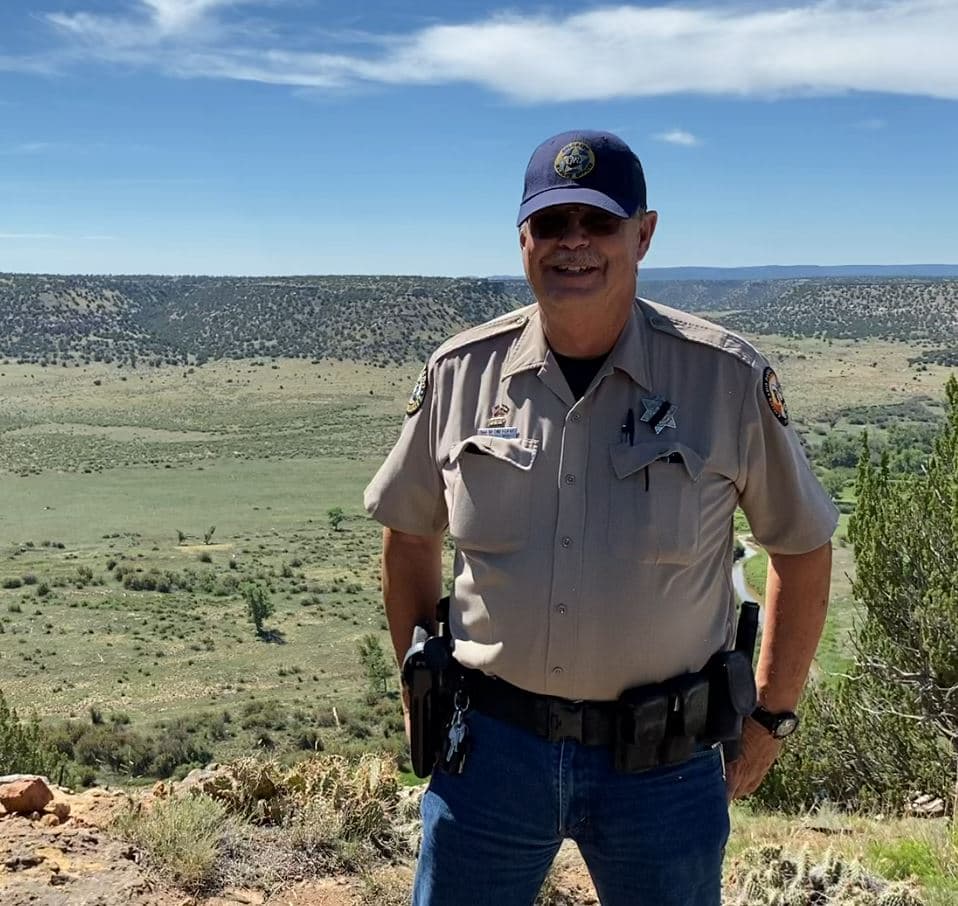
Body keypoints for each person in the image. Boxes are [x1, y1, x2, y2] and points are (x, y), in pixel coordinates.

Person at [364, 129, 837, 906]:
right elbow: (410, 534)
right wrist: (423, 685)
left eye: (599, 222)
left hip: (662, 764)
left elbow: (802, 548)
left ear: (643, 232)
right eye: (551, 224)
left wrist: (770, 720)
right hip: (490, 754)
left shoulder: (723, 379)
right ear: (523, 238)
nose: (573, 243)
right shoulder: (461, 375)